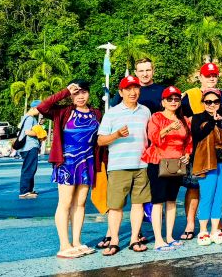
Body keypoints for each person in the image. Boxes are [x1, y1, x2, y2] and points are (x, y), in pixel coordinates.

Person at [37, 80, 103, 258]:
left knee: (80, 203)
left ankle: (77, 242)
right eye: (76, 93)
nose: (80, 96)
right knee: (65, 203)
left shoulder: (96, 113)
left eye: (84, 92)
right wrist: (65, 91)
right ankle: (64, 245)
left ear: (89, 93)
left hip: (87, 162)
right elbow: (42, 107)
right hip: (67, 162)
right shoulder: (64, 112)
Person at [97, 75, 152, 255]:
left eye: (135, 88)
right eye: (128, 89)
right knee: (115, 206)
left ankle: (134, 239)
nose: (132, 92)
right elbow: (101, 141)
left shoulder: (145, 111)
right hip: (118, 166)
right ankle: (114, 240)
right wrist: (117, 135)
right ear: (121, 93)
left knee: (138, 204)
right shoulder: (112, 113)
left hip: (141, 165)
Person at [180, 62, 222, 239]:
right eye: (207, 75)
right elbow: (184, 124)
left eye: (214, 75)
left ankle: (217, 224)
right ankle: (191, 224)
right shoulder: (190, 96)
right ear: (200, 77)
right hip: (199, 152)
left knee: (218, 191)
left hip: (220, 152)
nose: (211, 78)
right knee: (194, 188)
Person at [142, 86, 192, 251]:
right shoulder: (156, 117)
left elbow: (188, 141)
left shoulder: (183, 119)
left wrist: (187, 154)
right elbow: (153, 138)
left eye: (176, 99)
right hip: (159, 162)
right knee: (158, 201)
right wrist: (169, 128)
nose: (173, 102)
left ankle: (169, 236)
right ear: (163, 102)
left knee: (172, 200)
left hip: (176, 164)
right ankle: (158, 239)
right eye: (169, 99)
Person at [191, 88, 222, 246]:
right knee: (207, 195)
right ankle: (203, 230)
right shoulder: (197, 118)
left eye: (215, 101)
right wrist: (213, 122)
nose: (212, 104)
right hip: (206, 162)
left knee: (219, 196)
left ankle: (215, 229)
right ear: (203, 103)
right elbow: (198, 135)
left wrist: (221, 122)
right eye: (208, 101)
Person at [18, 102, 43, 199]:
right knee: (29, 168)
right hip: (30, 146)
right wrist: (40, 133)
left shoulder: (27, 117)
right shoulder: (30, 118)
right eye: (39, 109)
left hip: (28, 146)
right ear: (33, 108)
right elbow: (27, 132)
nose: (40, 111)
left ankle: (29, 189)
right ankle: (24, 191)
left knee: (31, 168)